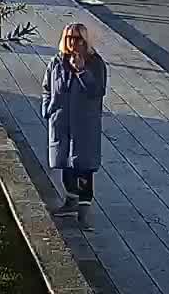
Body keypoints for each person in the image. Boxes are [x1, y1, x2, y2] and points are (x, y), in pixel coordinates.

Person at [42, 22, 107, 216]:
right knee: (65, 164)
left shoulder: (95, 63)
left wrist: (81, 71)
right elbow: (47, 87)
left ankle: (84, 210)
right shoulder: (57, 62)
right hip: (62, 121)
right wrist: (48, 108)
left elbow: (97, 90)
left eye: (78, 38)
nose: (73, 43)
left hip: (84, 123)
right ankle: (70, 201)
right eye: (69, 38)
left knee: (84, 166)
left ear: (85, 41)